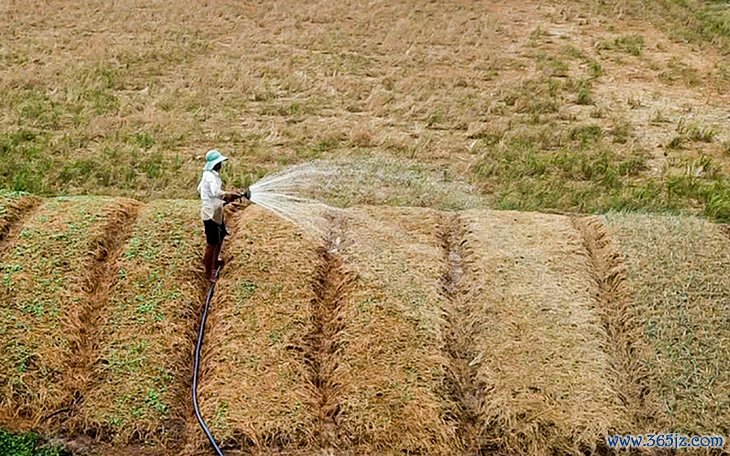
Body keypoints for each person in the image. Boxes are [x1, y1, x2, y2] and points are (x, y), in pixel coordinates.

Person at [197, 149, 241, 283]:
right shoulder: (210, 176)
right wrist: (229, 194)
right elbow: (216, 192)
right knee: (212, 242)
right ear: (215, 164)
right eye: (219, 163)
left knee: (221, 235)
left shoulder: (209, 175)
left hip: (216, 211)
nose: (221, 165)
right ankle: (209, 272)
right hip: (211, 214)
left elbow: (200, 189)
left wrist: (222, 200)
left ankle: (214, 260)